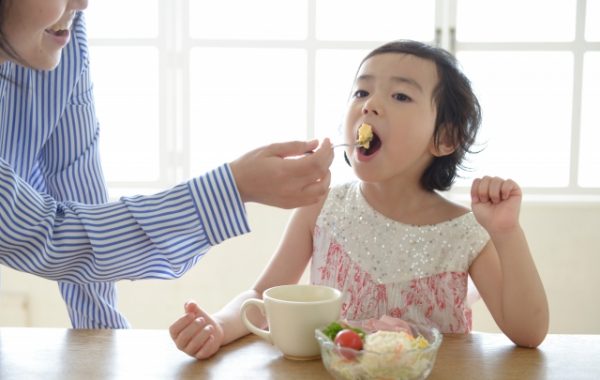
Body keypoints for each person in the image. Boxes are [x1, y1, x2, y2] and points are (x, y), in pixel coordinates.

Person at [169, 39, 549, 359]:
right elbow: (260, 296)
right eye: (361, 92)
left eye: (400, 95)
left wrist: (506, 232)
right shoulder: (321, 207)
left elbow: (528, 333)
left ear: (444, 139)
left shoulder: (467, 232)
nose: (369, 105)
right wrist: (218, 325)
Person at [0, 0, 334, 328]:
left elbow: (79, 194)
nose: (83, 4)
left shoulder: (60, 36)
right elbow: (46, 233)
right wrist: (235, 186)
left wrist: (101, 346)